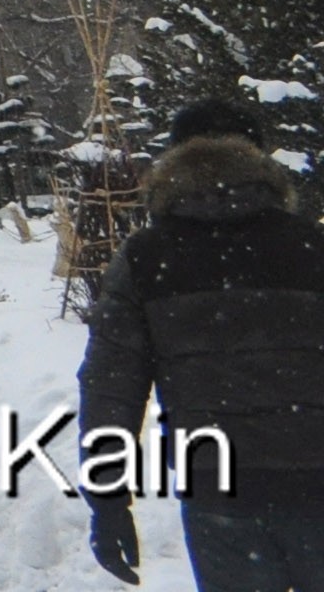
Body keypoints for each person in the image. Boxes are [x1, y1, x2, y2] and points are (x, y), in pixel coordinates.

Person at [80, 100, 324, 589]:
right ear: (261, 160)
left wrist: (108, 501)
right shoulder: (311, 246)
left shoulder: (146, 257)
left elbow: (111, 388)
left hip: (218, 490)